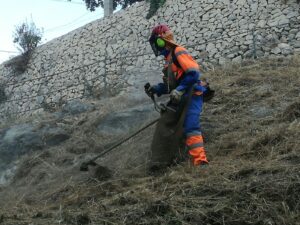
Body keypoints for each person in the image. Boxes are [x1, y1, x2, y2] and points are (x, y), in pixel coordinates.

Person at [145, 24, 209, 166]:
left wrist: (180, 89)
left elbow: (193, 74)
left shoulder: (178, 51)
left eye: (156, 42)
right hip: (181, 96)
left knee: (190, 125)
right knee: (165, 124)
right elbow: (169, 86)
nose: (156, 46)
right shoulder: (168, 62)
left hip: (192, 93)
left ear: (161, 40)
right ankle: (162, 161)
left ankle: (200, 161)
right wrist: (156, 89)